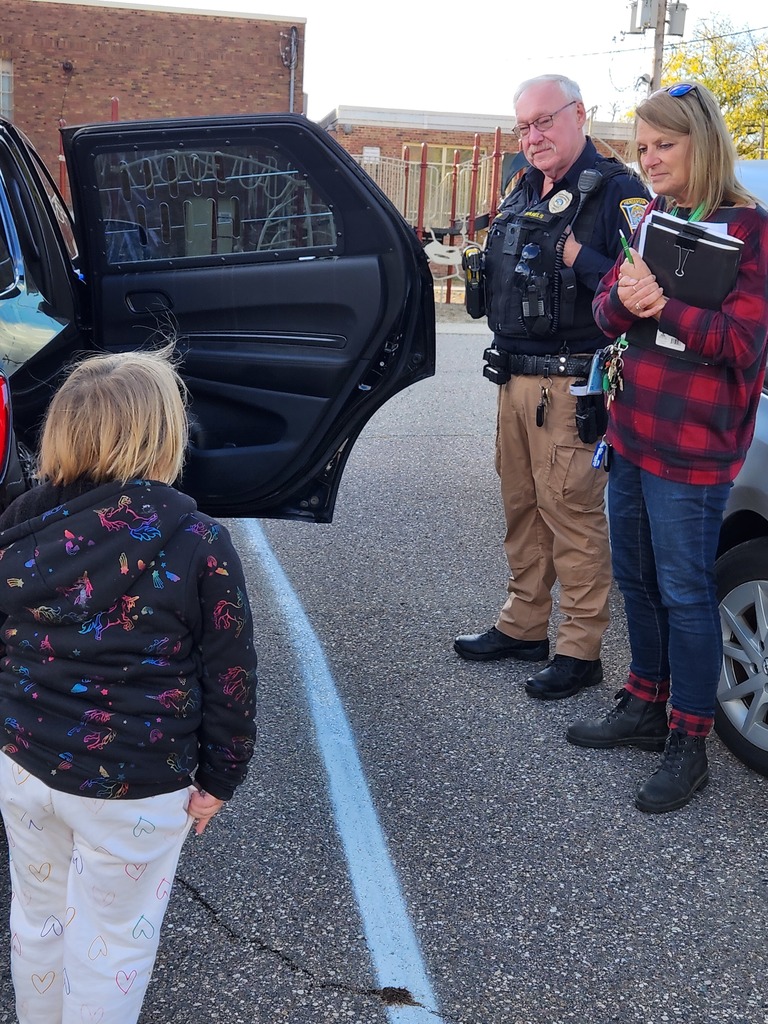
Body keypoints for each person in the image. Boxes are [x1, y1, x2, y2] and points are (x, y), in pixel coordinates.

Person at [0, 348, 257, 1021]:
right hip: (135, 782)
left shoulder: (20, 520)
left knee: (37, 918)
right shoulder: (197, 540)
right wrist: (221, 776)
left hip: (24, 762)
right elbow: (229, 671)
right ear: (163, 433)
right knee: (112, 944)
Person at [566, 81, 768, 813]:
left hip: (694, 448)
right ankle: (645, 703)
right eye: (643, 146)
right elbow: (604, 313)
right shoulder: (652, 216)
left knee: (686, 592)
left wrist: (665, 306)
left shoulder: (749, 229)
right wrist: (625, 300)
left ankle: (689, 742)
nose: (649, 158)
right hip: (633, 430)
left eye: (664, 144)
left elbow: (743, 345)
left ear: (701, 142)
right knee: (637, 579)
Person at [454, 74, 649, 699]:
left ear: (579, 114)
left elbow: (642, 288)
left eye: (544, 121)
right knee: (522, 507)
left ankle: (580, 649)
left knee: (572, 515)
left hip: (571, 385)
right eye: (523, 127)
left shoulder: (618, 191)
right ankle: (524, 625)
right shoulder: (521, 186)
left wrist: (578, 257)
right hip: (513, 378)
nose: (533, 136)